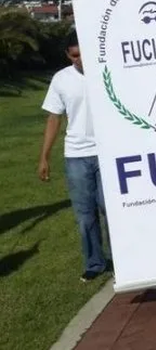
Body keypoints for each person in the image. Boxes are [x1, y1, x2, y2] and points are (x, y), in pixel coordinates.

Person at [38, 31, 110, 282]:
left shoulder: (105, 70)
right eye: (75, 55)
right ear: (68, 55)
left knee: (109, 208)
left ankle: (123, 259)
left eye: (83, 53)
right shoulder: (61, 79)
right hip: (76, 155)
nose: (80, 59)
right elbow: (53, 117)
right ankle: (95, 263)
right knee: (84, 214)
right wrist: (44, 157)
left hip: (106, 152)